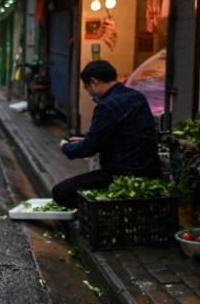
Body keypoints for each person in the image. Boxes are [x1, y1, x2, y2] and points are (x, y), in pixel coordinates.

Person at [51, 60, 162, 209]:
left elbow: (89, 148)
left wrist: (66, 147)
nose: (88, 92)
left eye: (86, 87)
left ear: (94, 82)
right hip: (150, 173)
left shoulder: (107, 105)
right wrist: (87, 139)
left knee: (61, 192)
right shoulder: (137, 97)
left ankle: (105, 211)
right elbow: (120, 134)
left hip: (122, 177)